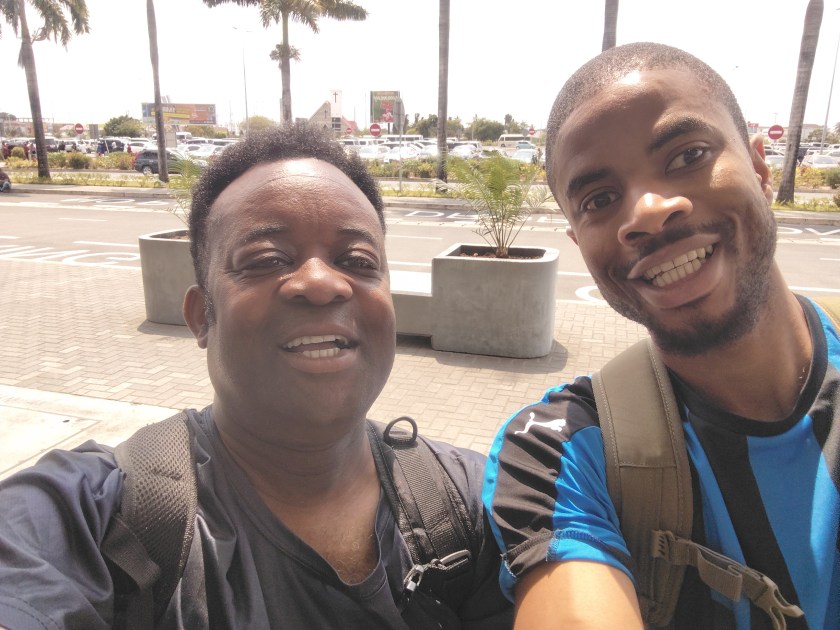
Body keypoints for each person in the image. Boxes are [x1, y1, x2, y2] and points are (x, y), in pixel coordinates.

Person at [0, 123, 512, 629]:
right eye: (266, 260)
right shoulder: (88, 516)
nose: (320, 283)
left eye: (356, 259)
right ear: (202, 317)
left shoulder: (479, 504)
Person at [484, 42, 839, 629]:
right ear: (581, 243)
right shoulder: (560, 454)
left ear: (759, 168)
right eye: (599, 200)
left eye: (687, 155)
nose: (647, 211)